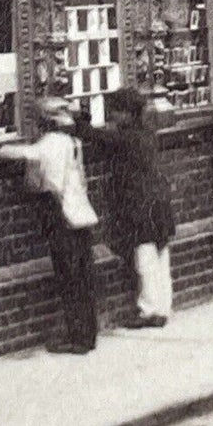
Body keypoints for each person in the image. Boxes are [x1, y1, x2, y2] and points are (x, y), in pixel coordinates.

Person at [0, 96, 99, 354]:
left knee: (69, 278)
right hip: (82, 214)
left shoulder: (49, 144)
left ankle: (77, 337)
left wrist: (2, 148)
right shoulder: (73, 142)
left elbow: (46, 179)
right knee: (84, 276)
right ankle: (88, 334)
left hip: (62, 217)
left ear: (43, 121)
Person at [79, 87, 175, 327]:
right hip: (159, 199)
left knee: (144, 256)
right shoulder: (146, 133)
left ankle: (149, 310)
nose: (112, 116)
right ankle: (163, 306)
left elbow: (95, 136)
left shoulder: (126, 137)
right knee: (161, 253)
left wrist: (78, 120)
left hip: (141, 203)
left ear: (128, 114)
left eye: (116, 112)